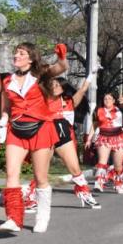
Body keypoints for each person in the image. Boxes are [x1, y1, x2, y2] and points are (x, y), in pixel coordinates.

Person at [0, 42, 69, 233]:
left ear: (31, 58)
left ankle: (42, 217)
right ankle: (14, 219)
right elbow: (6, 107)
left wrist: (61, 56)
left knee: (40, 177)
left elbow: (61, 68)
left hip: (41, 128)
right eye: (15, 53)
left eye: (21, 53)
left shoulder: (41, 74)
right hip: (17, 130)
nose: (16, 56)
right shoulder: (7, 81)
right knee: (11, 174)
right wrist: (2, 122)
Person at [42, 69, 100, 209]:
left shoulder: (69, 101)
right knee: (42, 170)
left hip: (64, 135)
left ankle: (85, 194)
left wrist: (91, 74)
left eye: (58, 85)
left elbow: (83, 89)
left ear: (63, 88)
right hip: (47, 133)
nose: (55, 87)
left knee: (75, 168)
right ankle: (32, 198)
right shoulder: (43, 99)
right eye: (53, 85)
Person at [93, 93, 123, 194]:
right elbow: (94, 125)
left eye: (109, 99)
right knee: (102, 162)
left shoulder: (120, 109)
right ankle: (99, 183)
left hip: (118, 137)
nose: (107, 100)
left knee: (118, 165)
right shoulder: (99, 110)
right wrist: (89, 138)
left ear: (114, 100)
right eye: (105, 99)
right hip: (104, 137)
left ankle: (118, 183)